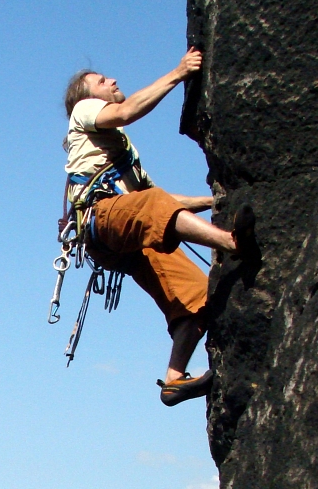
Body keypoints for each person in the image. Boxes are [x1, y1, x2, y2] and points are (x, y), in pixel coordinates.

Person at [63, 49, 256, 406]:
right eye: (103, 82)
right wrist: (179, 73)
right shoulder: (84, 111)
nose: (113, 81)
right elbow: (126, 111)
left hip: (122, 237)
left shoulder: (122, 154)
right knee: (153, 205)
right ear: (89, 96)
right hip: (100, 217)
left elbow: (161, 202)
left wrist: (214, 200)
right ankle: (233, 243)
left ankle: (174, 380)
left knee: (196, 298)